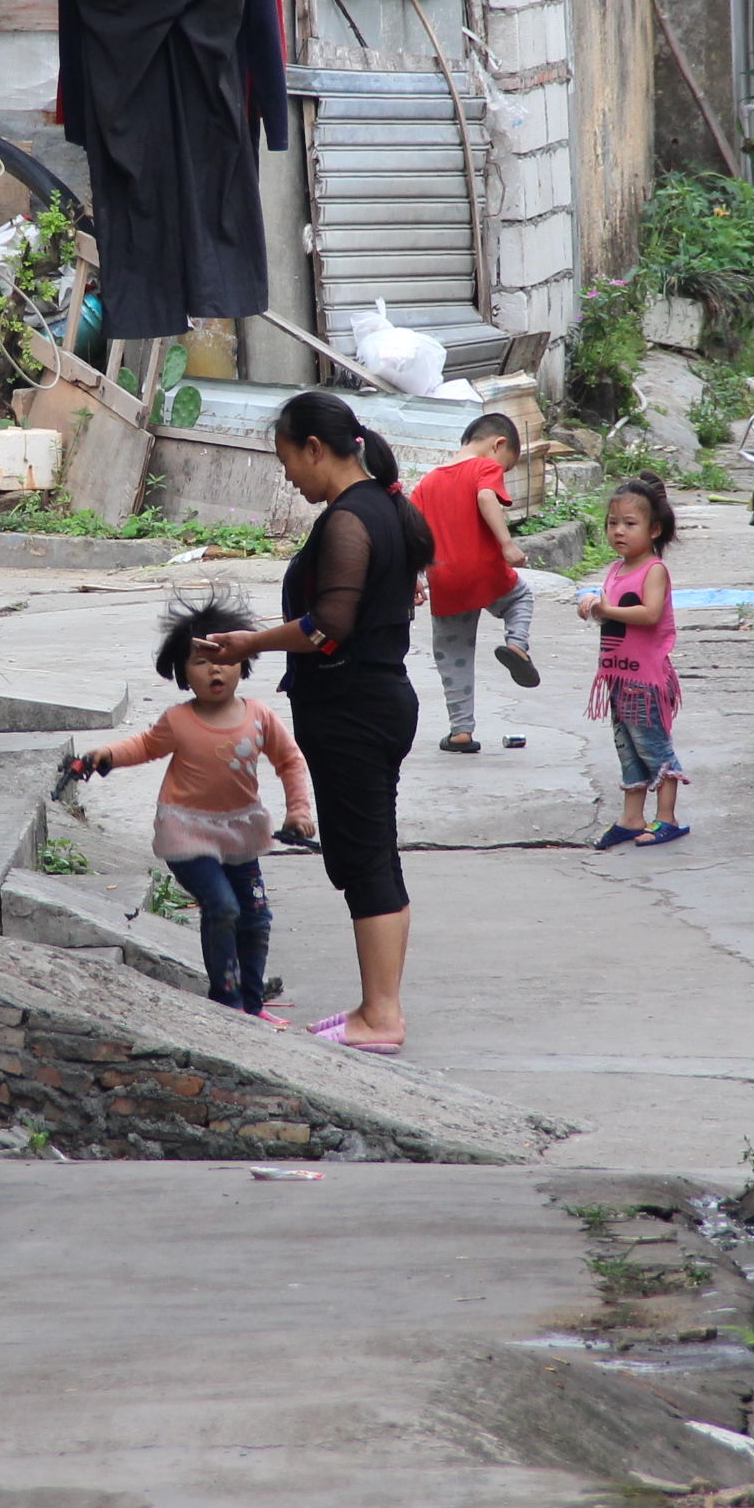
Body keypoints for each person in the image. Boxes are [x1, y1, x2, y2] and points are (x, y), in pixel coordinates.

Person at [190, 392, 431, 1054]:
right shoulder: (384, 506)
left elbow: (330, 628)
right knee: (368, 854)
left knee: (366, 857)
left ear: (316, 449)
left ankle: (382, 1017)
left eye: (289, 459)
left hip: (355, 708)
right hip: (374, 701)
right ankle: (375, 1007)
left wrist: (248, 644)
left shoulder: (351, 519)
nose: (289, 475)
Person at [61, 594, 316, 1018]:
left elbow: (290, 761)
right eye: (200, 661)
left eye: (223, 658)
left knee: (256, 919)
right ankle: (226, 1000)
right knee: (223, 907)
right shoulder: (178, 721)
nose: (214, 668)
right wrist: (105, 754)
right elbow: (143, 746)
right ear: (182, 673)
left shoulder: (260, 716)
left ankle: (251, 1007)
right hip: (187, 833)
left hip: (241, 835)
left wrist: (299, 811)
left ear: (243, 661)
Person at [410, 412, 541, 754]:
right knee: (520, 599)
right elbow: (486, 498)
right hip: (485, 571)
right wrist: (507, 544)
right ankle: (516, 644)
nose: (503, 475)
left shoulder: (427, 483)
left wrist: (413, 578)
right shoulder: (484, 467)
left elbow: (411, 534)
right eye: (507, 467)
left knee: (453, 655)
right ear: (498, 445)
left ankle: (461, 733)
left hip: (446, 580)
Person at [577, 475, 688, 847]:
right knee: (628, 748)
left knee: (654, 746)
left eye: (629, 523)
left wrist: (605, 608)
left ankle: (667, 818)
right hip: (619, 677)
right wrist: (593, 608)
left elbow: (650, 613)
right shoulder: (615, 569)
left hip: (645, 678)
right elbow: (611, 612)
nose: (618, 531)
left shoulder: (653, 569)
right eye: (612, 523)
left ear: (654, 529)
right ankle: (631, 816)